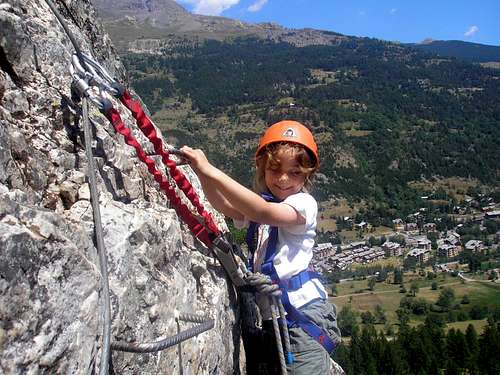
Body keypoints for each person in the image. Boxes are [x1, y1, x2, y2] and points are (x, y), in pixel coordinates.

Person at [181, 120, 341, 374]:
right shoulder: (266, 204)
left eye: (295, 172)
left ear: (307, 174)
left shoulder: (303, 205)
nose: (284, 179)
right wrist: (200, 173)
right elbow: (222, 204)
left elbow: (262, 211)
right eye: (275, 169)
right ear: (262, 167)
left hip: (301, 315)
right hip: (276, 316)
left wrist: (210, 170)